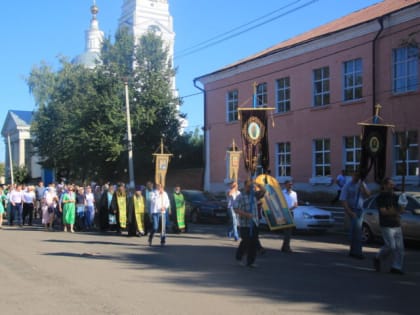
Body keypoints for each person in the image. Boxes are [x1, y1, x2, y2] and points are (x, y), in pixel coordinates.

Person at [373, 177, 406, 275]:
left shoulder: (395, 196)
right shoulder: (381, 197)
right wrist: (396, 211)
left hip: (396, 223)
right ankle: (377, 257)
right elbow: (383, 212)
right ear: (385, 185)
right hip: (386, 224)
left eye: (393, 184)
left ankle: (396, 267)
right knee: (391, 246)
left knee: (400, 248)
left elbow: (401, 209)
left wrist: (401, 204)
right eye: (391, 184)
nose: (393, 186)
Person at [234, 179, 265, 268]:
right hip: (245, 224)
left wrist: (256, 183)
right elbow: (236, 209)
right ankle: (239, 257)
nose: (250, 188)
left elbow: (263, 191)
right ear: (245, 186)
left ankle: (250, 262)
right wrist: (246, 214)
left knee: (254, 242)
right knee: (246, 241)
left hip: (254, 223)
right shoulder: (240, 197)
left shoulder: (254, 196)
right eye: (248, 186)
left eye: (251, 187)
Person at [340, 172, 370, 259]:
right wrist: (349, 212)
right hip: (352, 209)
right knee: (357, 231)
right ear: (352, 176)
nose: (357, 178)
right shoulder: (347, 186)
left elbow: (368, 195)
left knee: (355, 231)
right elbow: (343, 200)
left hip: (360, 209)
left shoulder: (361, 184)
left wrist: (363, 187)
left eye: (359, 176)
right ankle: (358, 252)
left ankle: (353, 251)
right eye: (356, 175)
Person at [281, 180, 298, 253]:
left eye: (291, 184)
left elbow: (296, 204)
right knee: (286, 231)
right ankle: (286, 247)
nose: (290, 186)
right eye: (288, 184)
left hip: (291, 213)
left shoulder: (294, 193)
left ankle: (285, 247)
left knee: (289, 231)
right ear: (285, 185)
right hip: (284, 213)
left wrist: (293, 207)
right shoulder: (282, 193)